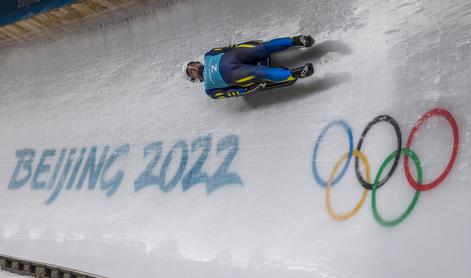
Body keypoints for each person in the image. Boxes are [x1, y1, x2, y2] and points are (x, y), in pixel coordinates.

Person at [185, 35, 315, 99]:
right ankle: (295, 73)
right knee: (262, 72)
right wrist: (249, 89)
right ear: (195, 79)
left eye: (192, 65)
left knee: (263, 48)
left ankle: (297, 40)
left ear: (196, 62)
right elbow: (230, 93)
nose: (194, 69)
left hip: (236, 55)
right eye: (191, 72)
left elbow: (230, 47)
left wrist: (249, 44)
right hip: (236, 74)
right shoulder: (210, 91)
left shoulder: (209, 54)